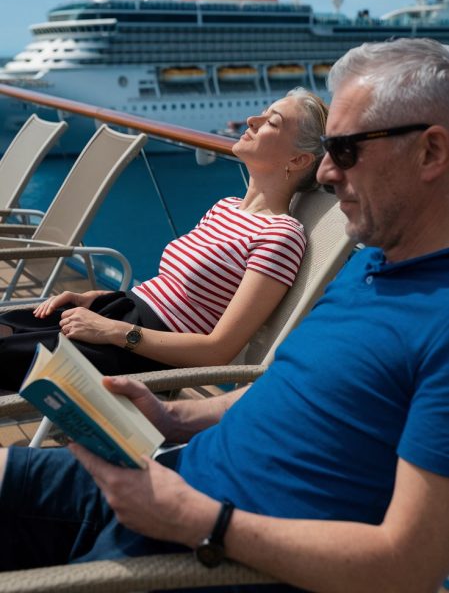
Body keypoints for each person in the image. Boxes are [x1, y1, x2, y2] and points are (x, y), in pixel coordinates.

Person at [2, 37, 449, 592]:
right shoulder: (373, 264)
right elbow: (291, 383)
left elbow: (408, 569)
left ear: (431, 152)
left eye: (347, 150)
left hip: (207, 548)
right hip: (172, 476)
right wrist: (177, 419)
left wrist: (193, 519)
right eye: (327, 149)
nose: (328, 175)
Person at [0, 88, 328, 391]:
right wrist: (97, 299)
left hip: (139, 353)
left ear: (298, 160)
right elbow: (171, 289)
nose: (251, 120)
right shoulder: (224, 207)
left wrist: (110, 330)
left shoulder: (280, 236)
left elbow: (218, 351)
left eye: (271, 122)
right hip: (118, 312)